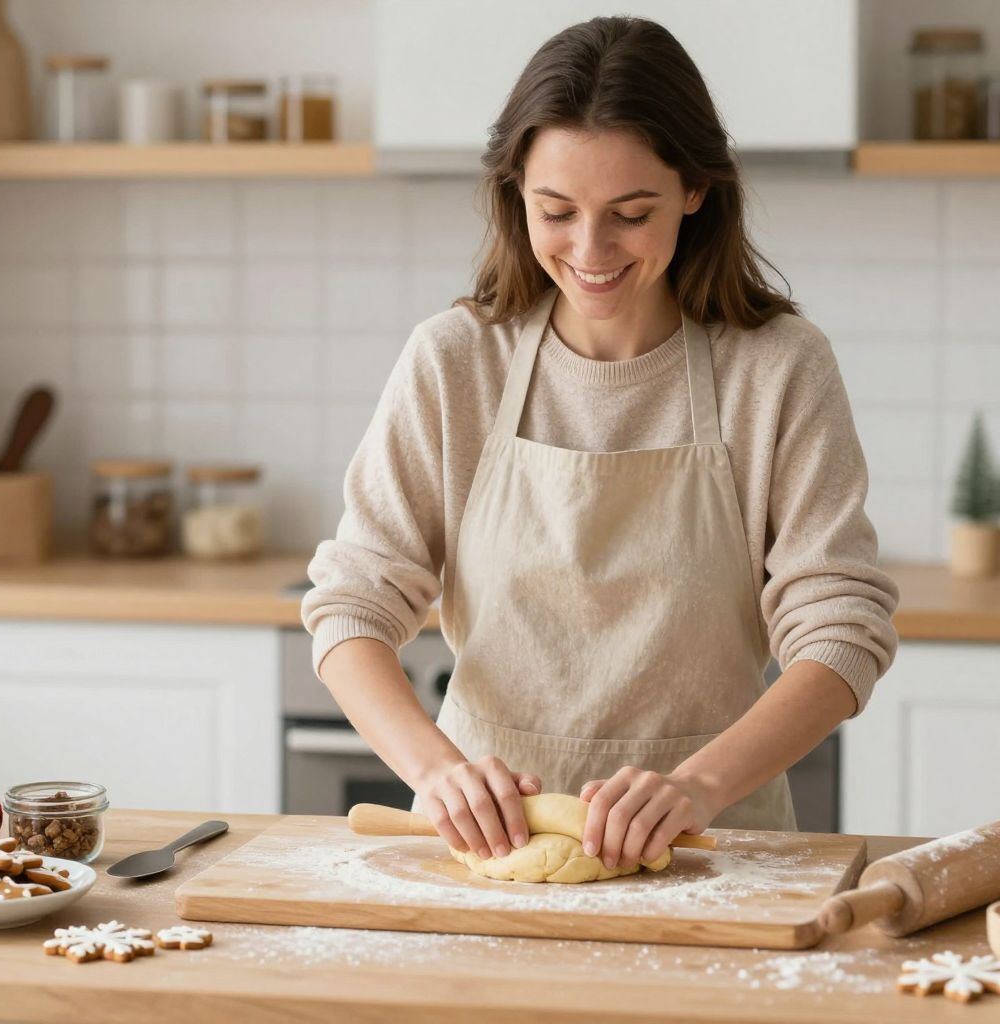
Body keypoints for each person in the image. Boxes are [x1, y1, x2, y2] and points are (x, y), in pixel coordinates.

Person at [302, 16, 898, 871]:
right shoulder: (455, 361)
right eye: (556, 211)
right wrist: (436, 773)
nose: (590, 250)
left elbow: (841, 628)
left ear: (695, 190)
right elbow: (352, 603)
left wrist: (697, 786)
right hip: (488, 851)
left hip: (713, 847)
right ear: (516, 194)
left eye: (631, 214)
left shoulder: (777, 369)